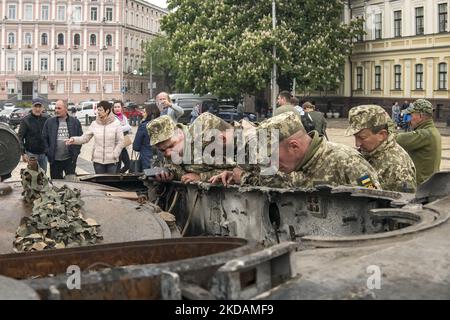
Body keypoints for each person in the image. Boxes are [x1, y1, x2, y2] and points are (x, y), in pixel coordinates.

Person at [218, 112, 382, 189]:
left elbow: (377, 210)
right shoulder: (294, 163)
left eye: (272, 156)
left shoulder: (348, 163)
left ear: (294, 146)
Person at [147, 113, 252, 183]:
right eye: (162, 150)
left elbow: (235, 170)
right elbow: (178, 172)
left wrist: (201, 177)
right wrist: (170, 175)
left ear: (180, 133)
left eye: (171, 146)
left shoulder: (204, 135)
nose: (168, 153)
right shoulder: (170, 155)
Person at [346, 105, 416, 192]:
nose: (357, 144)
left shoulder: (398, 167)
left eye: (362, 138)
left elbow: (405, 202)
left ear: (382, 135)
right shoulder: (369, 152)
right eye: (355, 137)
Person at [66, 101, 124, 174]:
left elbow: (120, 142)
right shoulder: (94, 124)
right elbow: (84, 138)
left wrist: (115, 154)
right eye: (97, 110)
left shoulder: (116, 123)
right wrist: (73, 139)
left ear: (107, 111)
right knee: (99, 184)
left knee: (110, 183)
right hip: (98, 161)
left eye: (100, 110)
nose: (98, 112)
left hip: (112, 161)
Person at [396, 99, 442, 185]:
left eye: (411, 115)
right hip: (428, 184)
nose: (409, 120)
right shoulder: (432, 130)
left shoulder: (425, 134)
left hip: (421, 187)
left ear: (420, 116)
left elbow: (396, 139)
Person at [42, 100, 83, 179]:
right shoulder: (49, 122)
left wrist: (76, 152)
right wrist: (48, 152)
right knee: (56, 184)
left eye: (59, 108)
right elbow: (44, 138)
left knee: (70, 183)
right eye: (56, 108)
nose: (56, 110)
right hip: (55, 160)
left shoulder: (75, 122)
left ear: (66, 109)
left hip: (70, 159)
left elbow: (80, 138)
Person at [18, 98, 50, 172]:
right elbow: (20, 137)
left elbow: (50, 135)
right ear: (32, 107)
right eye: (36, 106)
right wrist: (23, 153)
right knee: (33, 176)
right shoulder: (25, 120)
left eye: (39, 107)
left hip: (43, 153)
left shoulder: (47, 119)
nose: (38, 109)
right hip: (31, 153)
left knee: (43, 176)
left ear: (42, 108)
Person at [133, 103, 160, 170]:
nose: (142, 114)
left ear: (150, 113)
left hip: (146, 159)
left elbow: (136, 146)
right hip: (161, 159)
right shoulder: (162, 124)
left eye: (144, 112)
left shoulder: (144, 126)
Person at [113, 101, 132, 173]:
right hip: (116, 145)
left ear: (121, 108)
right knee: (118, 165)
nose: (117, 108)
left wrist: (125, 127)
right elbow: (117, 129)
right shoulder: (113, 118)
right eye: (115, 107)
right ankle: (116, 179)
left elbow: (129, 129)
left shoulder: (124, 117)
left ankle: (119, 174)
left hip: (123, 144)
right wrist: (126, 127)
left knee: (128, 164)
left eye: (118, 107)